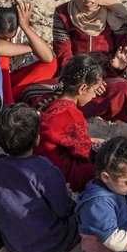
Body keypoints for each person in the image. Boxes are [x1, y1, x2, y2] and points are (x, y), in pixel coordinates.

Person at [0, 105, 81, 252]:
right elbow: (63, 210)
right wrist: (66, 194)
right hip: (54, 243)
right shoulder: (42, 167)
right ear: (37, 138)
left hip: (18, 245)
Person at [52, 0, 127, 127]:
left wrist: (119, 67)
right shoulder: (63, 13)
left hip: (107, 75)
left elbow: (122, 52)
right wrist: (88, 80)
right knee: (53, 97)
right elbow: (64, 55)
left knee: (125, 89)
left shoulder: (114, 13)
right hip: (77, 77)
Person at [35, 55, 102, 192]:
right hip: (55, 172)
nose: (94, 96)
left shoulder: (49, 100)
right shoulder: (72, 115)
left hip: (38, 162)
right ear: (82, 88)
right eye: (94, 91)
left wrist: (89, 140)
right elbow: (83, 154)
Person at [0, 0, 56, 103]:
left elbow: (48, 57)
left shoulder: (21, 30)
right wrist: (31, 48)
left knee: (51, 63)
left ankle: (13, 96)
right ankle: (8, 103)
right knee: (3, 57)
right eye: (2, 38)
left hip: (13, 81)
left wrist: (26, 26)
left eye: (9, 37)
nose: (7, 40)